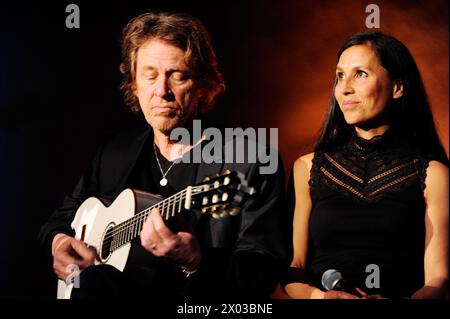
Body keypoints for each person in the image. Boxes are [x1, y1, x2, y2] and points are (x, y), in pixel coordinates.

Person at [38, 12, 288, 300]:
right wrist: (59, 244)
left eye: (177, 76)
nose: (162, 91)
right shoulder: (115, 153)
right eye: (150, 75)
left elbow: (262, 274)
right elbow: (57, 222)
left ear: (203, 85)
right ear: (134, 84)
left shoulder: (250, 159)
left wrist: (197, 262)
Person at [283, 32, 448, 299]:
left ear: (398, 87)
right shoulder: (307, 168)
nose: (344, 87)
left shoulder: (433, 175)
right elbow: (293, 269)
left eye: (360, 74)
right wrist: (322, 298)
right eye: (339, 76)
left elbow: (439, 279)